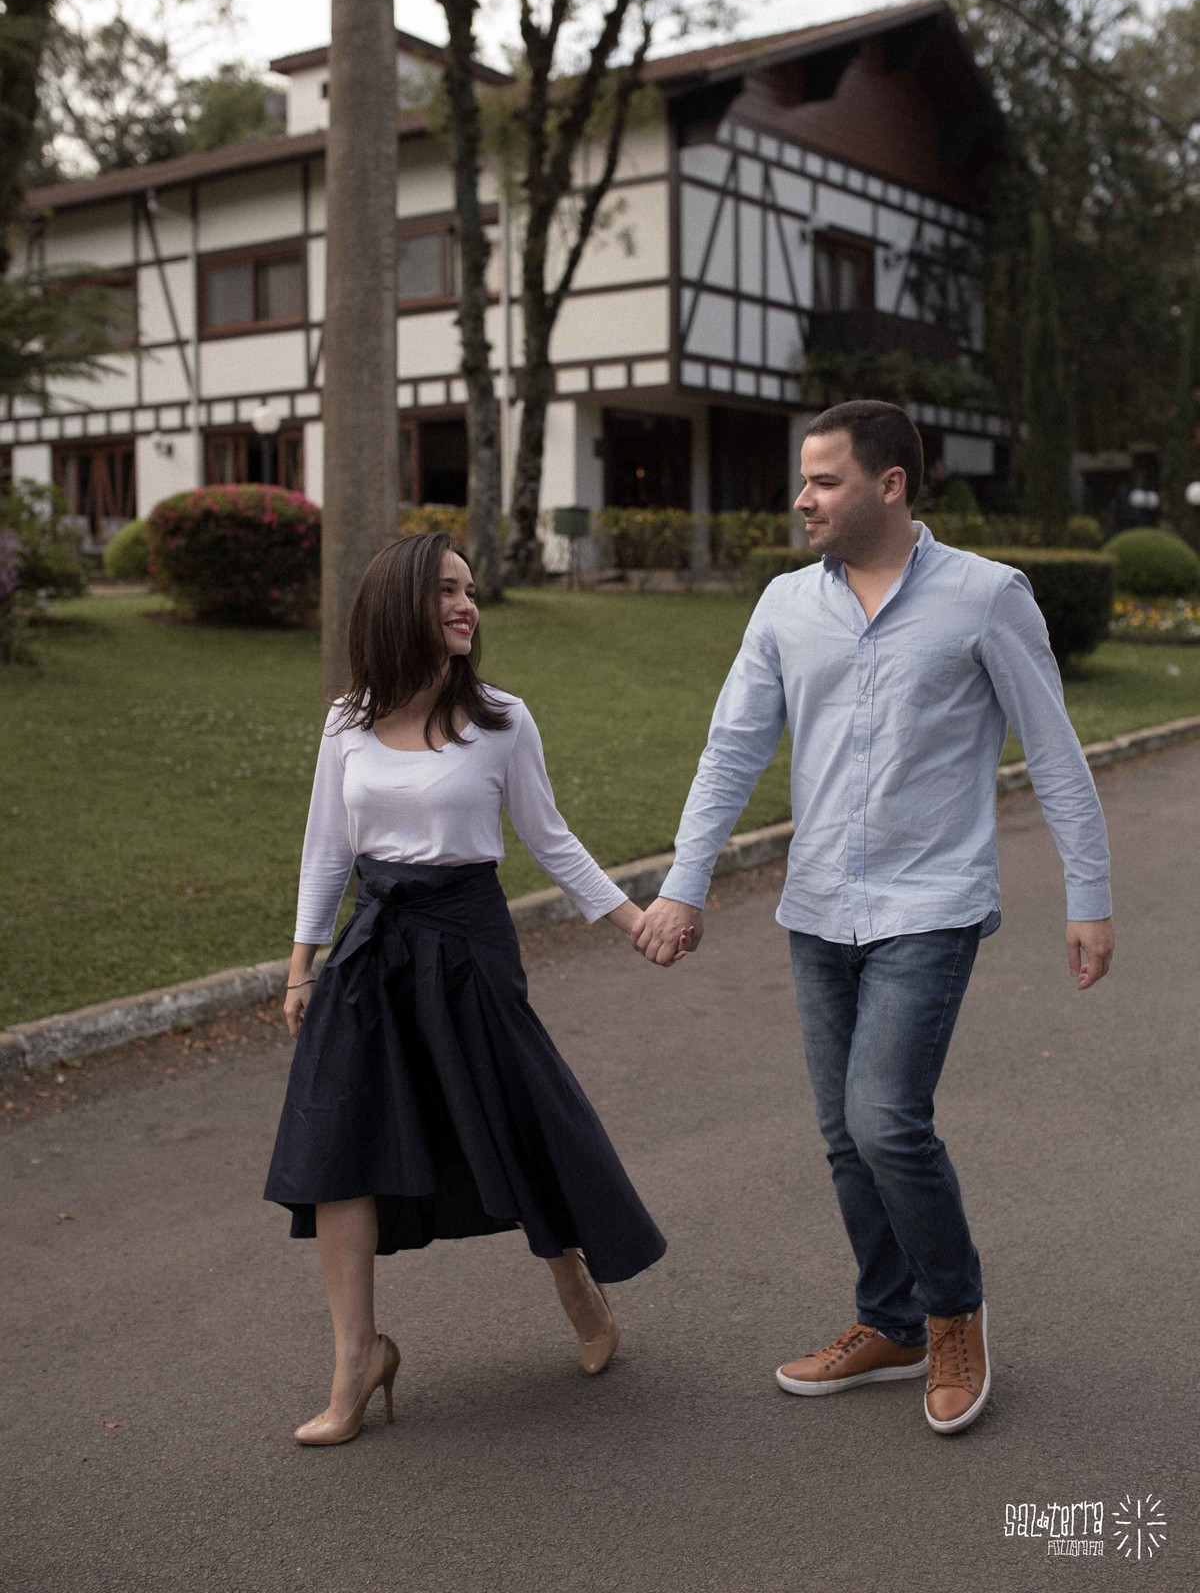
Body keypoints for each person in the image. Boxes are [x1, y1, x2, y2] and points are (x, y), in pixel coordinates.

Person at [633, 400, 1114, 1436]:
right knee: (844, 1138)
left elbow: (1055, 750)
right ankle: (888, 1321)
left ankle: (953, 1316)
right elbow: (731, 751)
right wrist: (684, 882)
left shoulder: (986, 598)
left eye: (824, 481)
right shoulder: (782, 607)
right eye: (802, 481)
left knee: (886, 1120)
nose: (802, 500)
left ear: (891, 485)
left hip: (930, 905)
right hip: (818, 908)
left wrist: (1091, 896)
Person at [265, 532, 676, 1446]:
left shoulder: (500, 719)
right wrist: (302, 965)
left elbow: (550, 836)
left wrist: (633, 918)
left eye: (471, 592)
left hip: (467, 946)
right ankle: (355, 1361)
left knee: (508, 1123)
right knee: (338, 1140)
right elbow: (326, 848)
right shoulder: (347, 721)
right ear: (400, 601)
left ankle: (576, 1281)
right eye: (446, 590)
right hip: (372, 950)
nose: (466, 606)